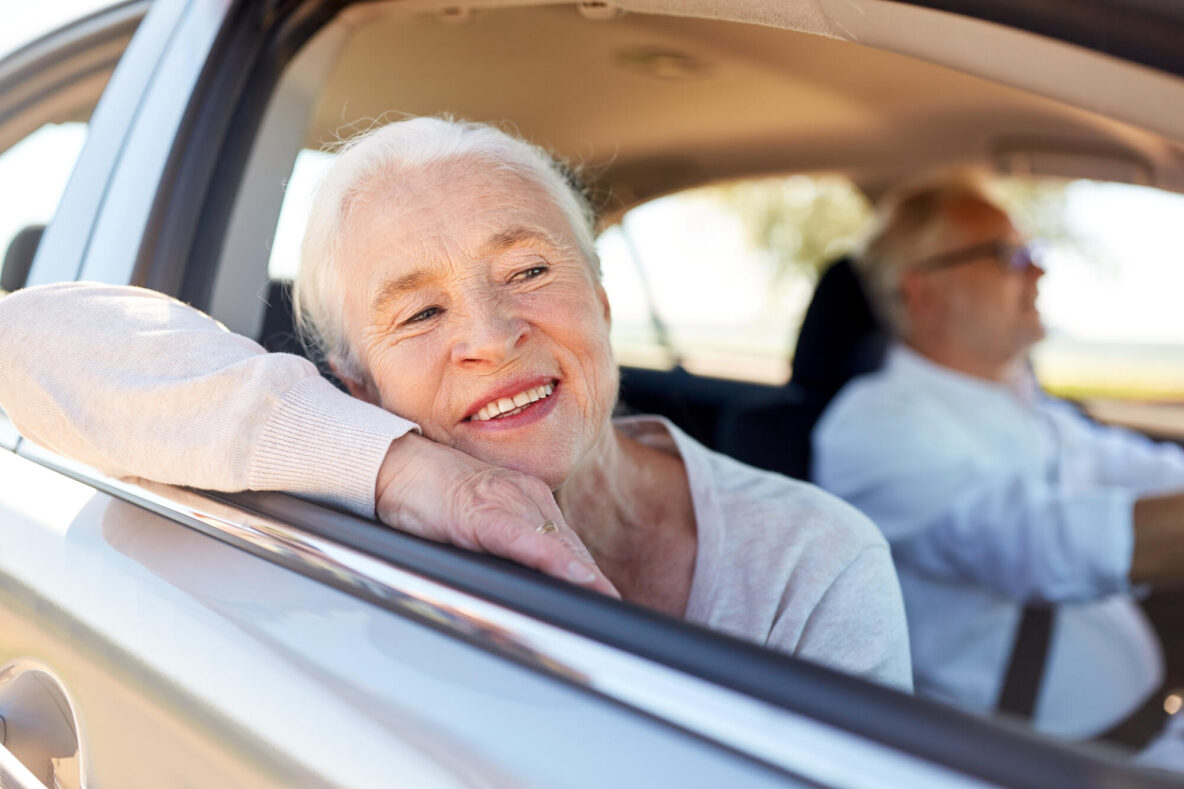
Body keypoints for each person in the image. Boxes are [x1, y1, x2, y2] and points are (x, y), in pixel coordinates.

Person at [0, 117, 911, 689]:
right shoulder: (319, 478)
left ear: (599, 303)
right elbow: (25, 339)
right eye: (420, 310)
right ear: (357, 387)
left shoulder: (810, 556)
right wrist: (404, 469)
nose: (489, 334)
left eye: (528, 270)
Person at [812, 171, 1184, 741]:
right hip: (1036, 761)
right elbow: (1028, 542)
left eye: (1030, 253)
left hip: (1149, 724)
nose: (1037, 270)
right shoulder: (870, 426)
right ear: (923, 290)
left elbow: (1140, 468)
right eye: (1006, 255)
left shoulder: (1034, 410)